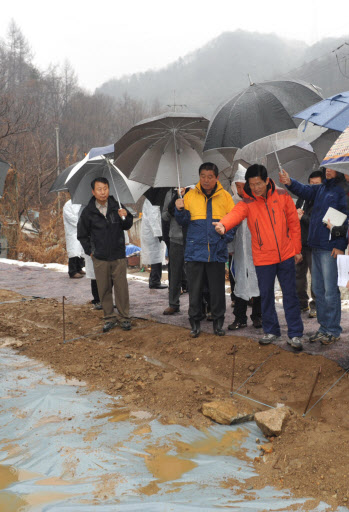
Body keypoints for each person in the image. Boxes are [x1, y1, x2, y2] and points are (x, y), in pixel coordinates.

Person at [214, 164, 304, 350]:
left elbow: (294, 223)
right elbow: (235, 214)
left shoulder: (282, 195)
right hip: (263, 258)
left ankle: (295, 334)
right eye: (251, 184)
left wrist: (296, 249)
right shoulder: (247, 202)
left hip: (286, 254)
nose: (255, 187)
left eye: (258, 183)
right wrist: (223, 225)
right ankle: (271, 331)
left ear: (266, 180)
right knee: (266, 296)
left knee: (290, 296)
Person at [280, 167, 347, 345]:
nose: (328, 170)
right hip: (315, 245)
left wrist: (340, 245)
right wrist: (289, 181)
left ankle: (333, 330)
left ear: (341, 170)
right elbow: (304, 189)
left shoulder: (342, 191)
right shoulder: (321, 188)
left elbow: (345, 219)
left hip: (330, 248)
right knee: (318, 290)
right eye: (327, 167)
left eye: (333, 168)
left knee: (330, 291)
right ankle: (323, 328)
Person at [175, 162, 235, 337]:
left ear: (216, 177)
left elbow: (233, 222)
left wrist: (225, 235)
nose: (206, 180)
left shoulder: (225, 197)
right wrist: (179, 209)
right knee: (194, 290)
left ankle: (218, 322)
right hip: (195, 251)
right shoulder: (190, 196)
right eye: (203, 176)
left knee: (217, 291)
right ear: (199, 176)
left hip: (216, 251)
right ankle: (194, 322)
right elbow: (183, 222)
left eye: (210, 176)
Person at [77, 177, 133, 333]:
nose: (103, 192)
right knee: (104, 289)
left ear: (109, 189)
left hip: (118, 255)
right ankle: (109, 317)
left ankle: (124, 318)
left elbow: (127, 225)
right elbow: (82, 235)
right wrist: (91, 251)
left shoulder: (117, 206)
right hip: (100, 257)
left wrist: (125, 215)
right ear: (93, 192)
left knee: (122, 288)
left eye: (105, 188)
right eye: (99, 189)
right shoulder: (88, 212)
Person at [227, 165, 262, 330]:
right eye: (237, 186)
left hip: (257, 251)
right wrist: (230, 247)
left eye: (243, 185)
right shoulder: (232, 202)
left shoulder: (258, 201)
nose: (240, 189)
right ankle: (240, 318)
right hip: (239, 252)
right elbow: (229, 227)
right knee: (239, 282)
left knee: (258, 282)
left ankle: (258, 316)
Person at [295, 170, 323, 318]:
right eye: (311, 184)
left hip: (314, 244)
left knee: (316, 277)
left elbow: (319, 223)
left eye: (317, 185)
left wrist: (303, 216)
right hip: (299, 243)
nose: (313, 187)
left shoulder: (323, 200)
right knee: (298, 275)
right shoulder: (303, 198)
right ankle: (301, 303)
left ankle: (316, 305)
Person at [161, 187, 189, 314]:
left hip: (192, 238)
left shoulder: (194, 192)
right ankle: (173, 303)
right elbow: (164, 216)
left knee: (195, 274)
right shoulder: (170, 193)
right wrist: (172, 208)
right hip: (175, 238)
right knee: (175, 272)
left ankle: (199, 305)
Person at [141, 199, 167, 289]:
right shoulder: (151, 201)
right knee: (155, 256)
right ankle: (154, 281)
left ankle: (154, 280)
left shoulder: (151, 199)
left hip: (152, 231)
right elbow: (153, 218)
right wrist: (158, 233)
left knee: (156, 256)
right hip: (152, 233)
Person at [63, 199, 85, 279]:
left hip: (82, 230)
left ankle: (79, 268)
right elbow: (70, 218)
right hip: (73, 231)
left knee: (82, 251)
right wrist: (81, 222)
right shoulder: (68, 205)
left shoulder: (81, 203)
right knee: (74, 251)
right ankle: (72, 271)